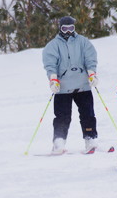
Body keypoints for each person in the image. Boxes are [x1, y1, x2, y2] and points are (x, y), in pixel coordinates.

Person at [42, 16, 100, 154]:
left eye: (71, 28)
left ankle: (90, 139)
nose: (68, 31)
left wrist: (92, 74)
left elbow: (90, 58)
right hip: (63, 87)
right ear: (60, 28)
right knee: (62, 116)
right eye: (64, 28)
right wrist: (53, 79)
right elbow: (50, 64)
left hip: (83, 85)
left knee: (88, 114)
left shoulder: (83, 42)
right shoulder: (53, 45)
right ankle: (59, 142)